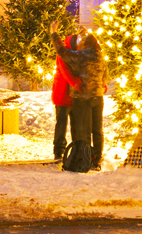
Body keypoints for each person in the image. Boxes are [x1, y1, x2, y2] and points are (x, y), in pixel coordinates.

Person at [60, 29, 108, 171]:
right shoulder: (100, 55)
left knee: (85, 131)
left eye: (81, 42)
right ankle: (97, 159)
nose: (79, 44)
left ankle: (86, 159)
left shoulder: (83, 55)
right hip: (98, 97)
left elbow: (63, 53)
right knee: (97, 130)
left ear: (86, 44)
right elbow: (105, 75)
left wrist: (54, 34)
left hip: (85, 98)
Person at [49, 19, 81, 163]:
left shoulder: (75, 55)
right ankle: (59, 151)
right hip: (63, 95)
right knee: (61, 123)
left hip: (73, 95)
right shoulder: (64, 56)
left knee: (75, 123)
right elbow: (66, 73)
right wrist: (77, 84)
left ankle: (74, 149)